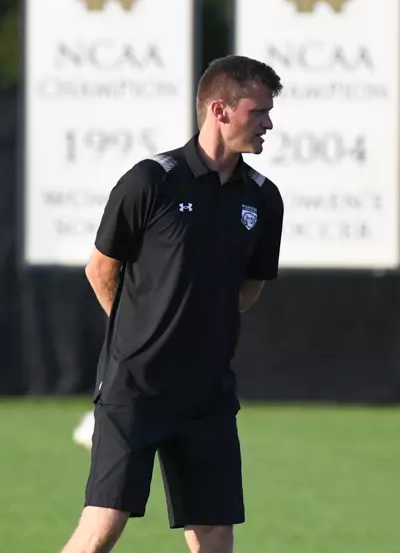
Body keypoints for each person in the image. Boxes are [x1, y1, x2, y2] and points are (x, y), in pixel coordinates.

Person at [61, 54, 286, 553]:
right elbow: (101, 269)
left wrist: (201, 326)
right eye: (259, 111)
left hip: (207, 392)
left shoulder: (263, 198)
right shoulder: (152, 180)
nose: (269, 123)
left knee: (215, 538)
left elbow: (250, 286)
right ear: (220, 110)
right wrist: (140, 334)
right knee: (102, 529)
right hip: (135, 387)